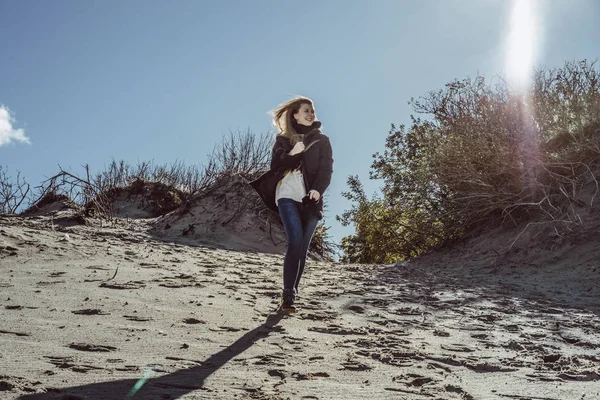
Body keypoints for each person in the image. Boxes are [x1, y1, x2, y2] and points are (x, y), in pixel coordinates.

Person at [250, 96, 333, 312]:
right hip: (286, 194)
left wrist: (317, 189)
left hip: (311, 199)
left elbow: (326, 170)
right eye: (306, 110)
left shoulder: (322, 141)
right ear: (295, 114)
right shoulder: (283, 140)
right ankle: (287, 295)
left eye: (313, 110)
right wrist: (292, 153)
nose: (311, 114)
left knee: (303, 249)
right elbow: (276, 166)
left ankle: (292, 293)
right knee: (294, 241)